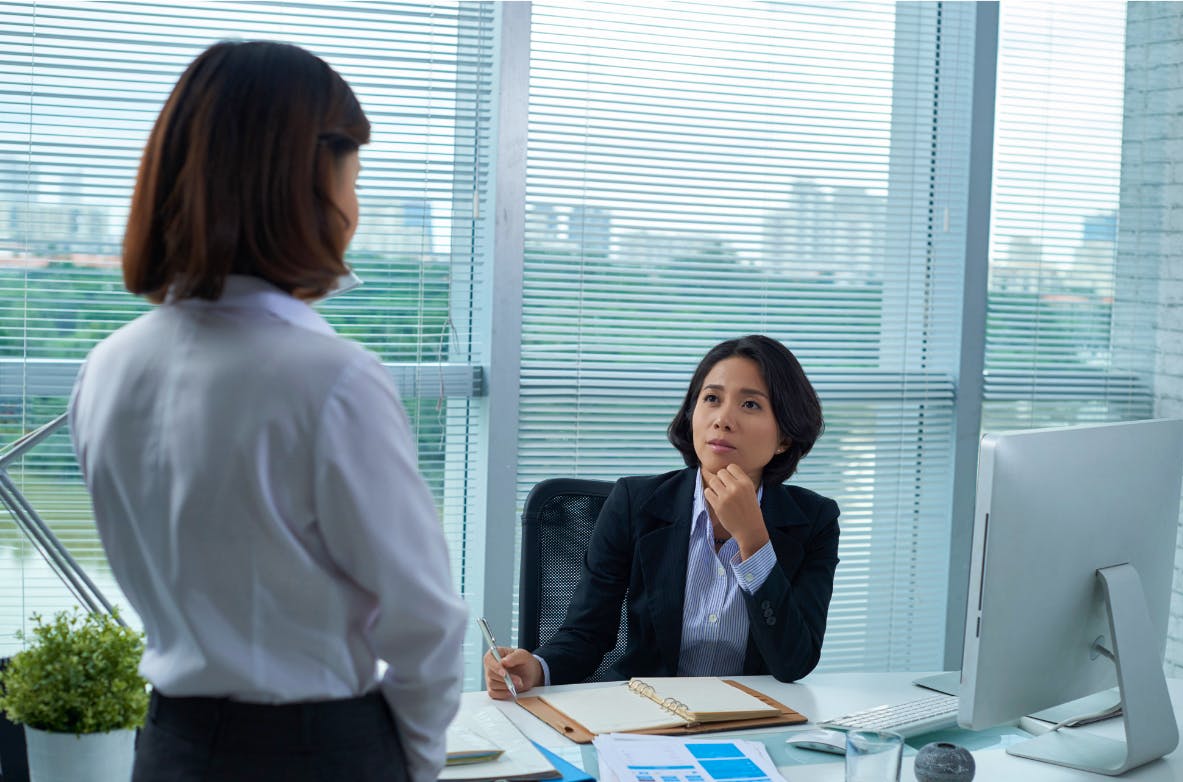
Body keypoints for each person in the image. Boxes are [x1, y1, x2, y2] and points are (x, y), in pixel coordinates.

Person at [68, 41, 467, 782]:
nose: (356, 207)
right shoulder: (333, 379)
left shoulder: (108, 367)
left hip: (170, 748)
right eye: (354, 176)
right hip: (318, 752)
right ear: (309, 184)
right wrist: (407, 761)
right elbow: (425, 622)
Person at [485, 334, 840, 697]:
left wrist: (754, 542)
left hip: (753, 716)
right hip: (647, 712)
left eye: (750, 404)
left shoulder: (816, 521)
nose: (722, 420)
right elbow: (586, 633)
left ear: (785, 438)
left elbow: (794, 662)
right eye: (711, 399)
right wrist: (536, 668)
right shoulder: (634, 503)